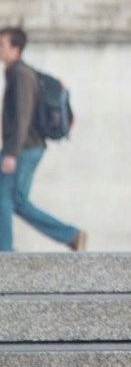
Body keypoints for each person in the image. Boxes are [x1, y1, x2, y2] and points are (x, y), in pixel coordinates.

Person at [0, 26, 86, 252]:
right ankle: (71, 235)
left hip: (23, 147)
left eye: (2, 45)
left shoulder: (21, 75)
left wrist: (11, 153)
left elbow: (22, 116)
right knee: (17, 201)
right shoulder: (17, 72)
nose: (0, 49)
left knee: (3, 200)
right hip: (26, 146)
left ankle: (5, 252)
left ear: (16, 49)